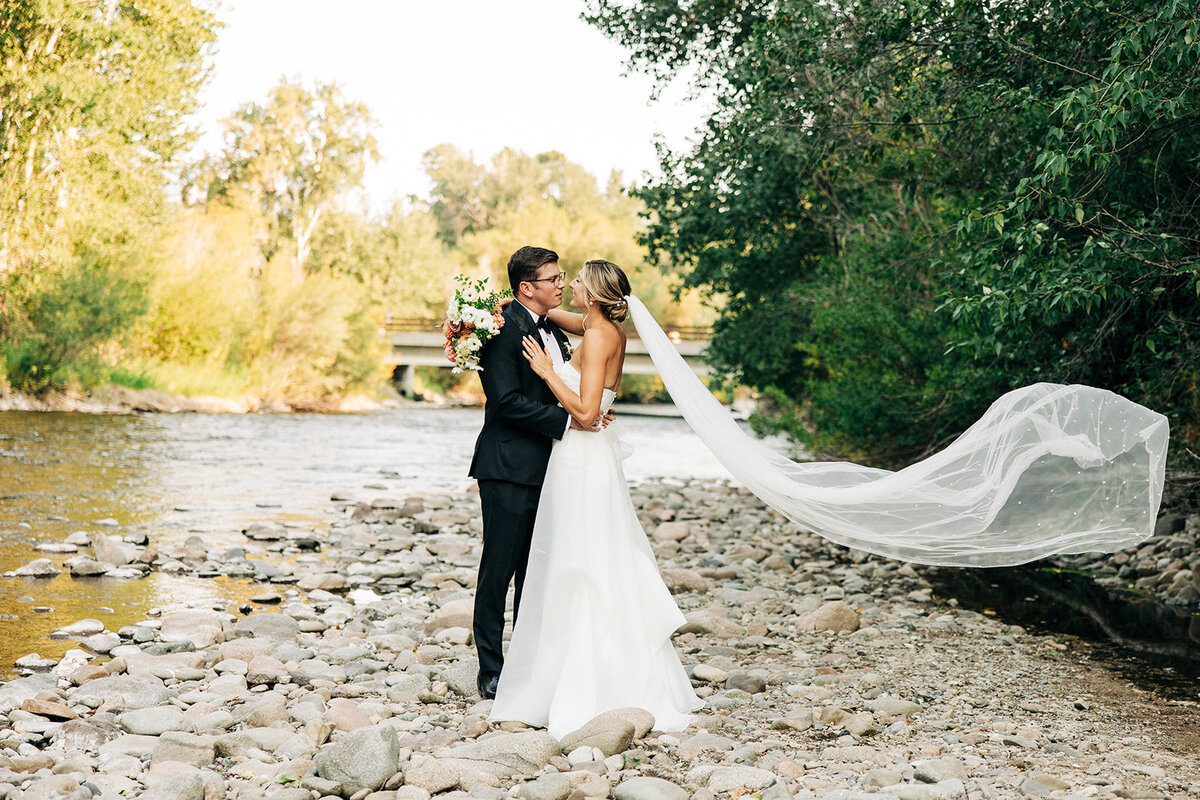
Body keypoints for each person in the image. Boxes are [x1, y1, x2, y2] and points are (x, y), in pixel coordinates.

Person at [488, 259, 704, 738]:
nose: (570, 284)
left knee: (582, 559)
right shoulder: (595, 326)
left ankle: (588, 676)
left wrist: (548, 372)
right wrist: (499, 307)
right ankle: (562, 663)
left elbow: (586, 414)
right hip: (583, 457)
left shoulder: (601, 336)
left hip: (583, 456)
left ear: (596, 293)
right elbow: (548, 315)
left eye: (579, 280)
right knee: (582, 555)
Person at [468, 246, 612, 700]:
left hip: (552, 467)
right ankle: (491, 669)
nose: (561, 284)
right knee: (499, 569)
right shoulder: (501, 329)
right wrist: (571, 421)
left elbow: (565, 385)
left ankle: (528, 664)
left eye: (563, 276)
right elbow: (505, 402)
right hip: (508, 466)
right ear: (527, 287)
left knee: (536, 571)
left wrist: (589, 410)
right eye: (553, 279)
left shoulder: (552, 328)